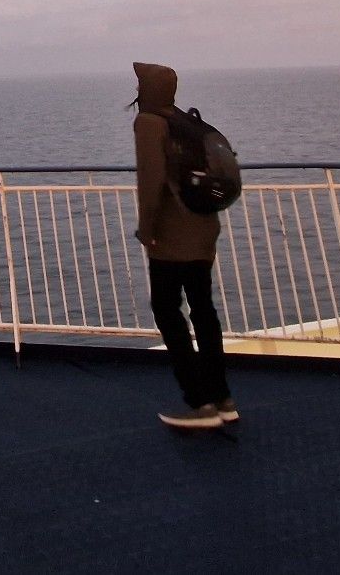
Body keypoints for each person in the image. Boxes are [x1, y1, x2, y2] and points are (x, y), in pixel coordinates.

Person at [132, 60, 236, 430]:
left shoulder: (148, 123)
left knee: (166, 309)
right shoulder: (186, 120)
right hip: (204, 228)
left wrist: (147, 230)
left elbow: (151, 180)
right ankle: (222, 397)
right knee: (203, 311)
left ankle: (199, 403)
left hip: (172, 236)